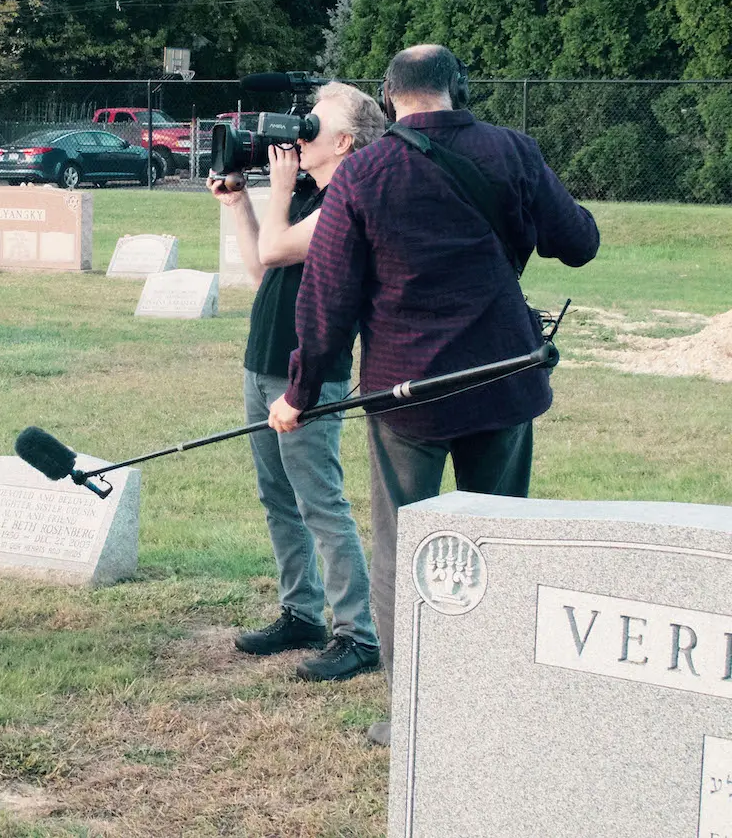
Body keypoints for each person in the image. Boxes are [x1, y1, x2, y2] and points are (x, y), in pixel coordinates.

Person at [267, 45, 600, 744]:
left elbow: (327, 302)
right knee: (497, 542)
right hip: (503, 382)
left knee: (404, 551)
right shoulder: (513, 151)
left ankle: (416, 715)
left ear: (389, 98)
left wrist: (298, 392)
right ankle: (495, 700)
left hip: (406, 397)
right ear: (459, 90)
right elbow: (580, 243)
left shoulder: (363, 173)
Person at [208, 82, 385, 682]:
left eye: (313, 122)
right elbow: (263, 264)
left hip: (309, 371)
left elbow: (282, 249)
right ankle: (300, 610)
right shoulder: (312, 194)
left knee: (320, 502)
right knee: (278, 497)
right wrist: (239, 204)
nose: (298, 131)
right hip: (264, 359)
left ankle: (358, 633)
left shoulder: (347, 202)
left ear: (343, 141)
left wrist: (278, 189)